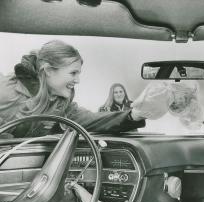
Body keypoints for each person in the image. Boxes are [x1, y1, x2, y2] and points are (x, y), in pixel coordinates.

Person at [0, 40, 168, 137]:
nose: (78, 80)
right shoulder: (7, 93)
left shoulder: (61, 105)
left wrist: (134, 115)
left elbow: (93, 120)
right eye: (73, 73)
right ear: (49, 71)